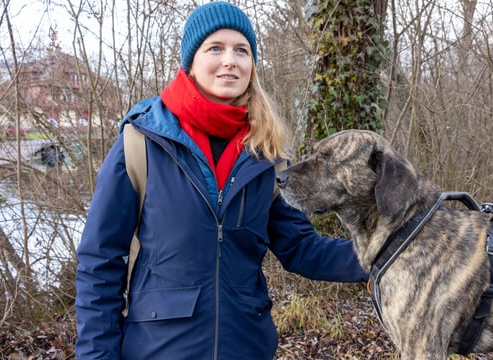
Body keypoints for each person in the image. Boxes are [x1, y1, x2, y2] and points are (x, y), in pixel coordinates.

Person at [74, 2, 368, 359]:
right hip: (158, 350)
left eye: (241, 50)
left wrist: (385, 252)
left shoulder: (267, 157)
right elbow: (99, 262)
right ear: (191, 62)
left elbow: (302, 248)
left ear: (252, 65)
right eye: (215, 48)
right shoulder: (142, 143)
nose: (230, 60)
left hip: (245, 346)